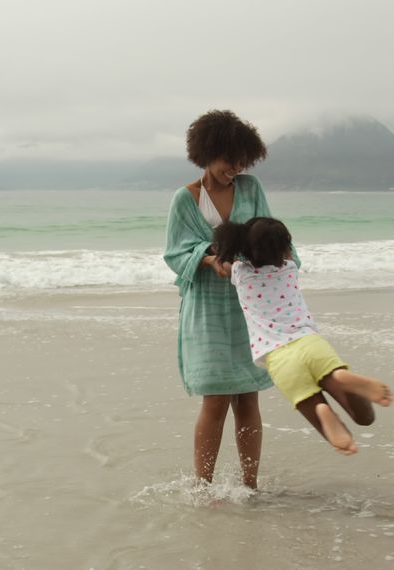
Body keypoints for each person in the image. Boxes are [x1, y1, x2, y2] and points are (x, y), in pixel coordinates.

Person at [163, 110, 283, 489]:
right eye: (228, 162)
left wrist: (282, 265)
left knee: (248, 397)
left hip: (248, 304)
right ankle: (204, 487)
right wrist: (210, 259)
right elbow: (175, 254)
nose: (234, 170)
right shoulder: (185, 200)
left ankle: (250, 485)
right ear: (207, 152)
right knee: (215, 399)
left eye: (241, 163)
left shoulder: (251, 188)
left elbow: (270, 235)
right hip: (207, 308)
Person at [213, 217, 394, 455]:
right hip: (310, 343)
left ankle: (323, 412)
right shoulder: (289, 268)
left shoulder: (240, 273)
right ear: (285, 249)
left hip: (278, 358)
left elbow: (222, 263)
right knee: (365, 417)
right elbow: (281, 252)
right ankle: (340, 377)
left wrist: (219, 252)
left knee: (325, 421)